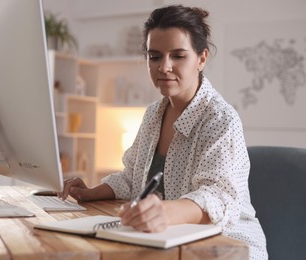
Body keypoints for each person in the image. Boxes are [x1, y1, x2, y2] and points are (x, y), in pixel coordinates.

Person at [59, 5, 268, 260]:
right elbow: (132, 178)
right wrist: (92, 192)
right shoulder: (152, 115)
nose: (164, 67)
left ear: (201, 59)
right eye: (155, 56)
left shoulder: (221, 119)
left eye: (178, 56)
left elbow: (218, 197)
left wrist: (164, 212)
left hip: (227, 247)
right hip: (169, 241)